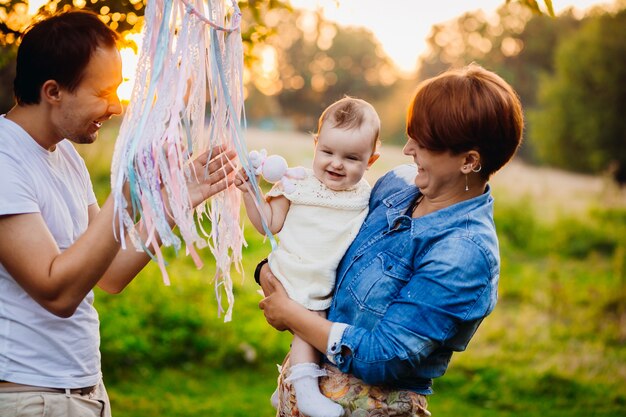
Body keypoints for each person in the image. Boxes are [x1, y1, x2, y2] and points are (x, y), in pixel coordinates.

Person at [0, 10, 236, 417]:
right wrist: (125, 196)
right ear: (53, 91)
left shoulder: (66, 156)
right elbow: (56, 292)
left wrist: (174, 200)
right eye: (102, 92)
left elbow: (108, 273)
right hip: (32, 398)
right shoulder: (5, 159)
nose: (115, 106)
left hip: (84, 392)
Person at [255, 63, 524, 417]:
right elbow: (326, 249)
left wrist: (292, 314)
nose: (409, 149)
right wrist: (269, 274)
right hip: (302, 391)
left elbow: (384, 356)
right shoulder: (395, 186)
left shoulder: (464, 253)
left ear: (469, 161)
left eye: (424, 142)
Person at [236, 97, 381, 417]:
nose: (337, 163)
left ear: (371, 161)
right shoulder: (298, 184)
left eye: (352, 157)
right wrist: (251, 192)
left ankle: (285, 385)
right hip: (293, 269)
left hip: (323, 275)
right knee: (311, 321)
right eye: (328, 152)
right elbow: (268, 224)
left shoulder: (366, 196)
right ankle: (304, 390)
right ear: (316, 145)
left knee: (318, 322)